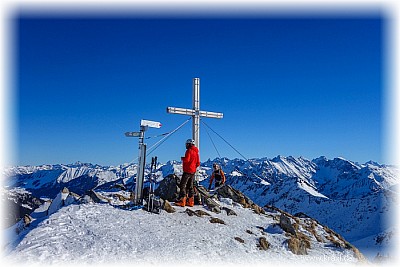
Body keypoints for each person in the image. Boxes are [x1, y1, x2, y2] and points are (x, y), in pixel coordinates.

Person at [175, 139, 200, 207]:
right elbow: (198, 163)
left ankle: (182, 201)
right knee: (190, 186)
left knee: (182, 185)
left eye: (186, 144)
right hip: (193, 171)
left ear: (189, 144)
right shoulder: (196, 152)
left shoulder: (189, 151)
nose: (185, 145)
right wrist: (193, 167)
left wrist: (183, 158)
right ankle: (191, 202)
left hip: (187, 171)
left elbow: (187, 159)